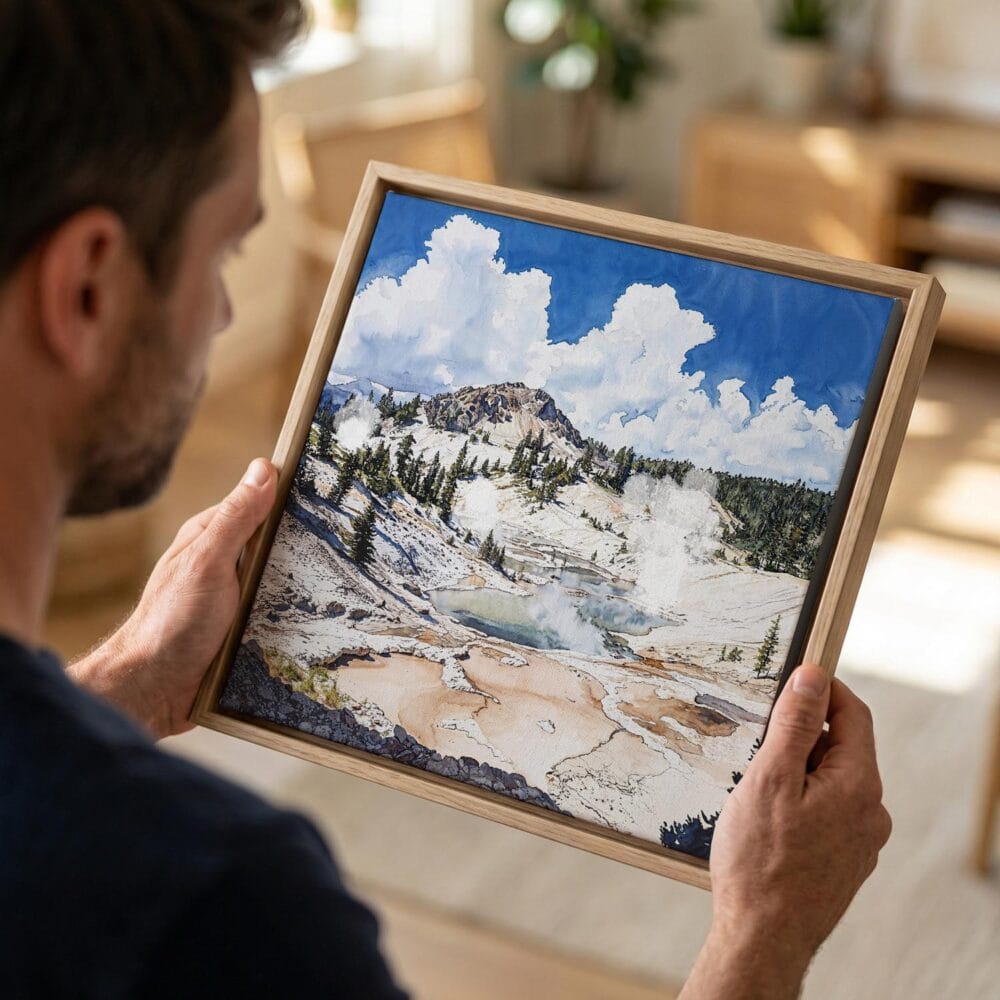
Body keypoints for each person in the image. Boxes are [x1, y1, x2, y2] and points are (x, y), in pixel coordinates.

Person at [0, 1, 891, 996]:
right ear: (87, 285)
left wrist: (127, 683)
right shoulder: (221, 906)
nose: (220, 311)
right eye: (222, 254)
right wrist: (763, 932)